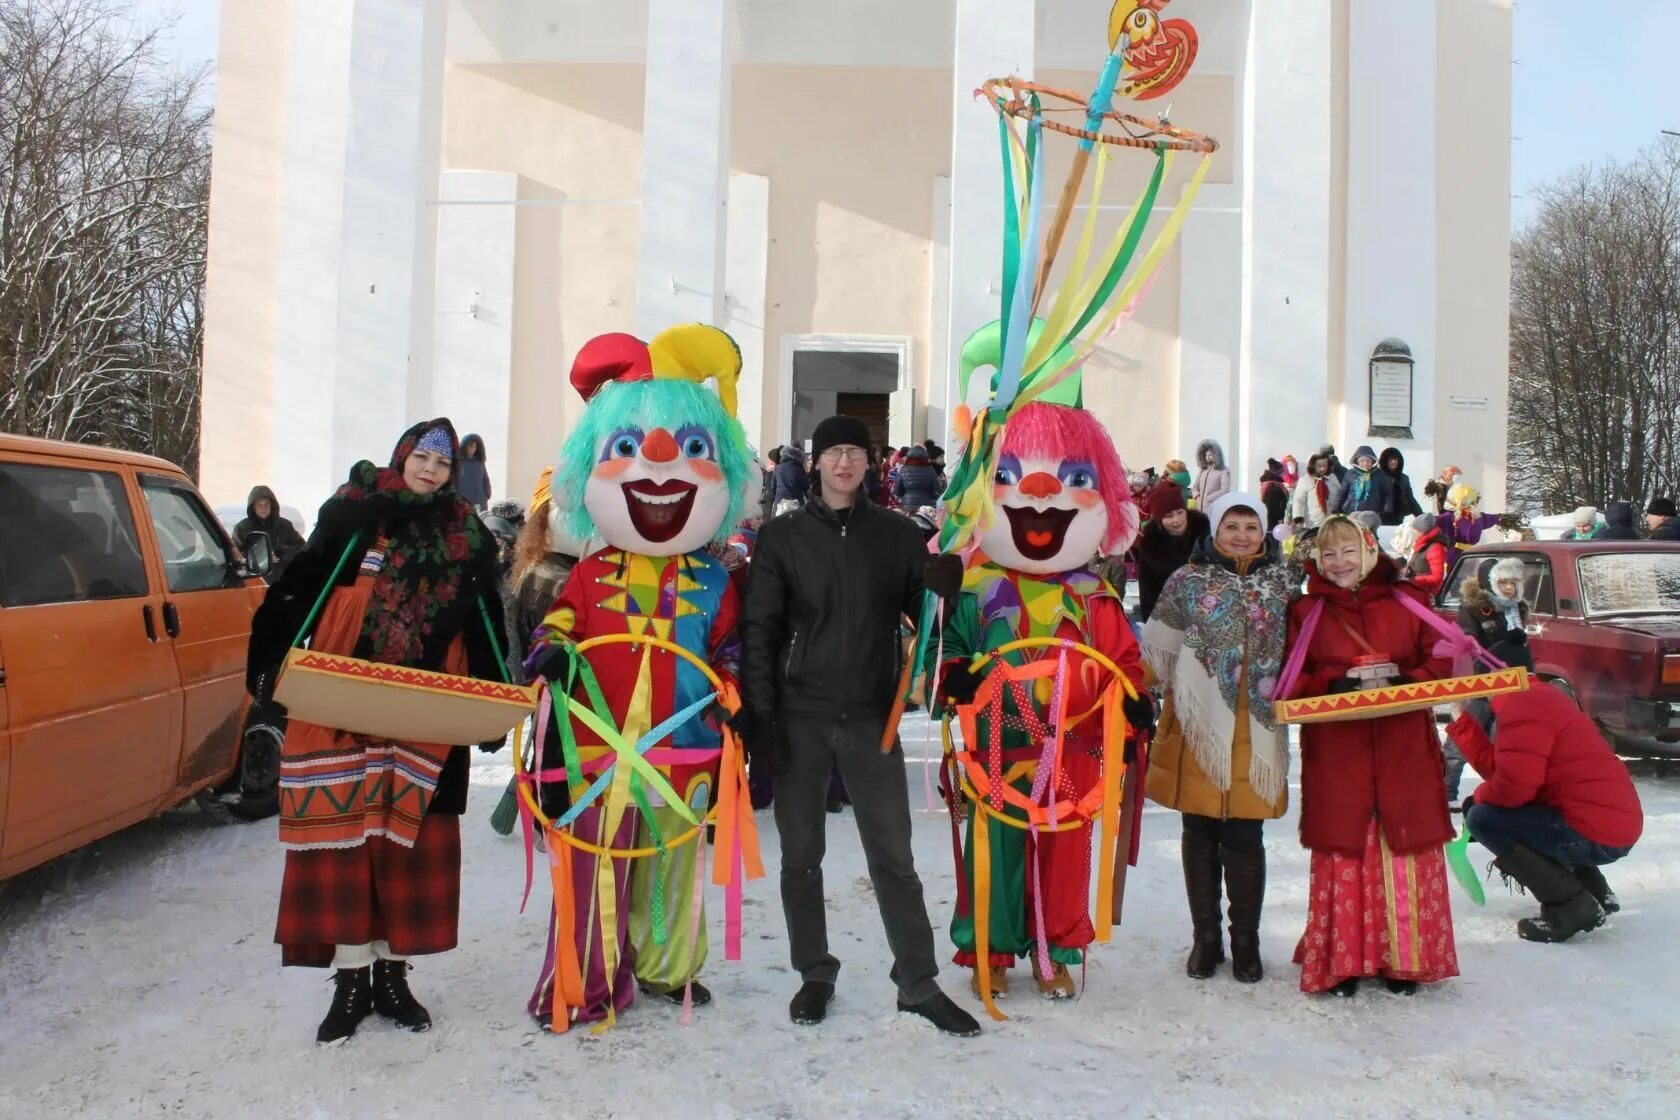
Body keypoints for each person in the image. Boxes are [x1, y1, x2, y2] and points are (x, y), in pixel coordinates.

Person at [245, 419, 508, 1044]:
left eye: (442, 466)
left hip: (427, 710)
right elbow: (299, 585)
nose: (430, 471)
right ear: (403, 456)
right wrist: (268, 665)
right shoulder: (355, 513)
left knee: (405, 842)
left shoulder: (465, 533)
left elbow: (484, 618)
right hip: (341, 702)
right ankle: (352, 979)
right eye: (422, 458)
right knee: (344, 838)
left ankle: (392, 976)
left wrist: (491, 701)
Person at [523, 325, 752, 1030]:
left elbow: (728, 649)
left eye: (690, 452)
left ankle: (666, 968)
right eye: (627, 450)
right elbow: (557, 626)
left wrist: (736, 693)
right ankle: (588, 978)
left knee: (674, 868)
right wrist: (551, 652)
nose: (660, 468)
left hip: (685, 753)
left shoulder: (716, 579)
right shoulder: (590, 573)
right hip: (600, 753)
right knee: (597, 868)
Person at [740, 413, 980, 1037]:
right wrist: (760, 714)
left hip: (874, 717)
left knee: (893, 856)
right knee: (802, 855)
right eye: (832, 452)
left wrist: (941, 589)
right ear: (815, 462)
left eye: (854, 452)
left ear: (870, 462)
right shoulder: (783, 537)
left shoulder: (897, 535)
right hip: (801, 716)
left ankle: (918, 982)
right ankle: (814, 972)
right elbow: (760, 629)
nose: (844, 462)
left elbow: (923, 617)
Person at [925, 399, 1151, 1005]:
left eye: (1074, 480)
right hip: (998, 742)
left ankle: (1056, 951)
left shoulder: (1094, 594)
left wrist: (1133, 702)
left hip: (1073, 745)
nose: (1043, 493)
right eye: (1010, 476)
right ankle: (988, 951)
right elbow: (950, 653)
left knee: (1065, 848)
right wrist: (955, 676)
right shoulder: (976, 587)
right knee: (995, 850)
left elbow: (1123, 665)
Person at [1286, 515, 1459, 997]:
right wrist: (1332, 685)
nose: (1340, 563)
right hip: (1339, 751)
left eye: (1349, 551)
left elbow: (1446, 653)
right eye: (1328, 554)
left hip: (1403, 744)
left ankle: (1403, 963)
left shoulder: (1411, 601)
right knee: (1348, 849)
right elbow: (1290, 679)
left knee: (1403, 844)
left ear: (1369, 550)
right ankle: (1345, 962)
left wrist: (1411, 680)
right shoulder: (1307, 612)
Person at [1143, 493, 1299, 984]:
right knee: (1200, 832)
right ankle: (1205, 938)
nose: (1241, 534)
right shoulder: (1187, 581)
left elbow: (1312, 640)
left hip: (1259, 724)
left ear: (1264, 531)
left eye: (1251, 525)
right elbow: (1157, 650)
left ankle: (1246, 942)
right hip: (1198, 722)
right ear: (1214, 530)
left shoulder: (1285, 583)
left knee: (1246, 835)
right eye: (1232, 524)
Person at [1448, 637, 1643, 942]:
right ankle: (1595, 892)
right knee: (1504, 812)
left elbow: (1512, 790)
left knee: (1483, 818)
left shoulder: (1521, 706)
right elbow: (1511, 772)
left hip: (1596, 833)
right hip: (1612, 825)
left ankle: (1571, 906)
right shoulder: (1538, 697)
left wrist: (1477, 800)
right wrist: (1463, 724)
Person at [1134, 478, 1209, 623]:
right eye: (1168, 516)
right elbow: (1147, 590)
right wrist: (1150, 624)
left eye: (1180, 512)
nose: (1176, 520)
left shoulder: (1204, 536)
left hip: (1205, 614)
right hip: (1169, 618)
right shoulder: (1151, 546)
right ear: (1159, 519)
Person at [233, 485, 306, 581]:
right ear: (253, 507)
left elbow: (302, 548)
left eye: (266, 504)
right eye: (259, 505)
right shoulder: (242, 528)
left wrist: (281, 553)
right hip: (255, 582)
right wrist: (261, 558)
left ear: (272, 505)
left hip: (285, 581)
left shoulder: (285, 526)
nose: (263, 508)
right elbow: (236, 554)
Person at [1290, 452, 1342, 529]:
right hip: (1313, 522)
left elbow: (1340, 496)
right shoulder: (1305, 480)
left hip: (1332, 521)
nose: (1323, 469)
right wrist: (1298, 519)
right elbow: (1298, 501)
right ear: (1313, 466)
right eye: (1319, 466)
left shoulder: (1332, 478)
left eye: (1325, 466)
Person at [1334, 446, 1390, 518]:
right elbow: (1342, 493)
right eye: (1362, 461)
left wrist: (1386, 510)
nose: (1365, 463)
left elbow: (1387, 494)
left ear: (1373, 461)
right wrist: (1335, 508)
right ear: (1357, 462)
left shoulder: (1379, 474)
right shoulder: (1350, 474)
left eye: (1368, 461)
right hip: (1352, 512)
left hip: (1372, 513)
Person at [1405, 512, 1450, 596]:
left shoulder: (1435, 548)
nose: (1413, 532)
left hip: (1428, 596)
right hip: (1419, 591)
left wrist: (1412, 580)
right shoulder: (1422, 545)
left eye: (1415, 529)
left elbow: (1436, 578)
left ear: (1422, 531)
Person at [1376, 448, 1424, 527]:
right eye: (1391, 460)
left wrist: (1420, 516)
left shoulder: (1404, 478)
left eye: (1395, 459)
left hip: (1398, 518)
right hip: (1380, 518)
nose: (1393, 462)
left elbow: (1410, 499)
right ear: (1385, 461)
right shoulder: (1377, 476)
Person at [894, 445, 943, 511]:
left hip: (907, 505)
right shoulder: (930, 470)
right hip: (925, 506)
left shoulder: (904, 469)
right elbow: (936, 490)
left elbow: (898, 490)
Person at [456, 433, 492, 510]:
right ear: (465, 447)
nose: (473, 448)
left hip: (480, 500)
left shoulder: (479, 463)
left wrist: (487, 491)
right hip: (464, 501)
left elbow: (485, 478)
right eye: (470, 446)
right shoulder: (459, 462)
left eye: (474, 446)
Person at [1191, 439, 1231, 509]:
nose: (1207, 458)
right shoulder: (1203, 470)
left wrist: (1208, 498)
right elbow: (1195, 487)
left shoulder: (1224, 470)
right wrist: (1197, 496)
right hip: (1199, 508)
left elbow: (1224, 490)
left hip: (1214, 507)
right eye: (1206, 456)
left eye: (1210, 455)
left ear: (1216, 455)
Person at [772, 445, 809, 510]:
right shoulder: (799, 469)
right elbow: (807, 488)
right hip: (796, 503)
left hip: (779, 503)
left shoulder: (777, 468)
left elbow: (773, 488)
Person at [1258, 459, 1290, 530]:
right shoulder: (1274, 487)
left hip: (1270, 520)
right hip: (1272, 522)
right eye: (1283, 472)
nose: (1284, 474)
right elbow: (1272, 506)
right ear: (1278, 472)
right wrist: (1279, 518)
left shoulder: (1268, 484)